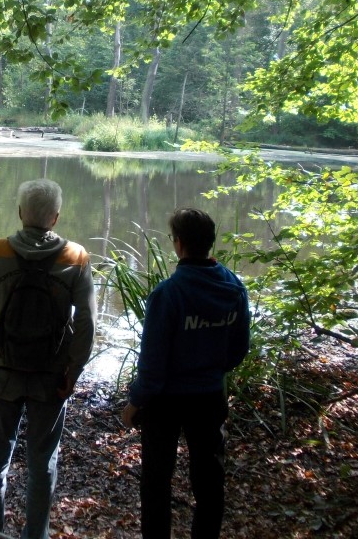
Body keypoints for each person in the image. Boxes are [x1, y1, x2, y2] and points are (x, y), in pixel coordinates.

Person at [0, 178, 97, 539]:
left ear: (21, 213)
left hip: (2, 371)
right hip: (51, 374)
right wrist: (74, 371)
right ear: (55, 218)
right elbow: (87, 323)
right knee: (42, 461)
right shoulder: (76, 256)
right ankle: (35, 535)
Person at [121, 208, 251, 539]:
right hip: (209, 397)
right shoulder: (234, 288)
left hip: (164, 402)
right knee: (209, 482)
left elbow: (152, 363)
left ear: (178, 244)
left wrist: (135, 403)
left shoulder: (168, 294)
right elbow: (238, 349)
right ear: (210, 243)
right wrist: (211, 369)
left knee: (156, 482)